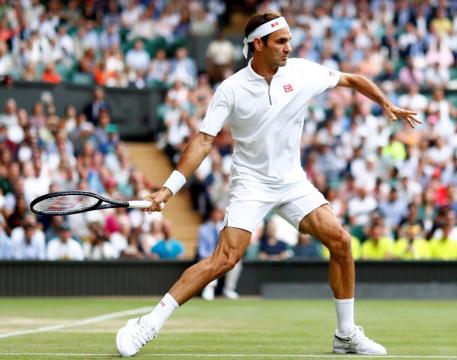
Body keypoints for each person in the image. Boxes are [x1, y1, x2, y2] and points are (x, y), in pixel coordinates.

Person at [116, 10, 419, 357]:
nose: (289, 48)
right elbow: (202, 141)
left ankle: (346, 335)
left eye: (289, 40)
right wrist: (168, 189)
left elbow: (350, 79)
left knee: (341, 242)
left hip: (292, 181)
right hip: (251, 183)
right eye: (281, 41)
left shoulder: (303, 71)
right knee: (224, 259)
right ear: (257, 45)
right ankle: (148, 325)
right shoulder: (230, 89)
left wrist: (385, 102)